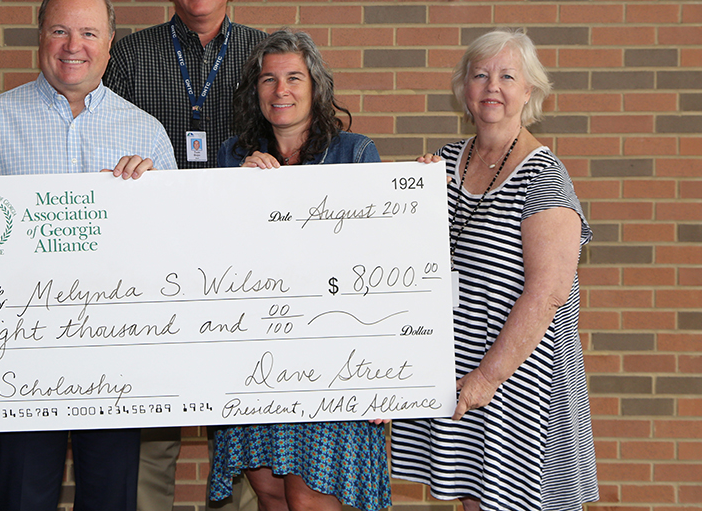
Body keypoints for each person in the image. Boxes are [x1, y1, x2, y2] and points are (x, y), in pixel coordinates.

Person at [0, 0, 177, 511]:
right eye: (59, 30)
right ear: (40, 39)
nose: (72, 46)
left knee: (111, 500)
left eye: (87, 33)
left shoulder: (146, 133)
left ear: (109, 44)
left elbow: (175, 247)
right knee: (22, 498)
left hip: (115, 353)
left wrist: (153, 197)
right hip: (20, 352)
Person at [390, 29, 598, 511]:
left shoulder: (544, 175)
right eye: (480, 75)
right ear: (464, 88)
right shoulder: (442, 161)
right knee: (473, 502)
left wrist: (485, 380)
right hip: (456, 367)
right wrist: (410, 201)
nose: (492, 86)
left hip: (516, 377)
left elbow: (547, 295)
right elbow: (408, 263)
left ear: (530, 91)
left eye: (507, 76)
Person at [103, 0, 267, 511]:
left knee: (245, 405)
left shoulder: (266, 53)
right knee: (154, 410)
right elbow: (104, 135)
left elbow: (303, 140)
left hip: (245, 260)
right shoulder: (128, 54)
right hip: (153, 257)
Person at [211, 30, 391, 511]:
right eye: (268, 79)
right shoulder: (232, 157)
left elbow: (380, 264)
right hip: (257, 355)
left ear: (316, 87)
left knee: (311, 497)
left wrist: (388, 370)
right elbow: (211, 255)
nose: (280, 90)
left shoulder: (355, 153)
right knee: (270, 492)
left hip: (335, 358)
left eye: (294, 77)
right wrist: (239, 193)